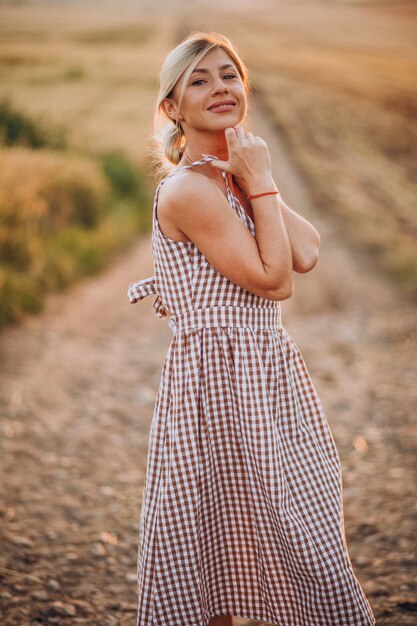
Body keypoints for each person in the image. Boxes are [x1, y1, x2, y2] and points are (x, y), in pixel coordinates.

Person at [127, 31, 376, 626]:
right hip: (214, 384)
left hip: (264, 373)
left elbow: (308, 250)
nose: (221, 87)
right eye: (200, 79)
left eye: (230, 75)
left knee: (297, 528)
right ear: (172, 108)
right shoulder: (189, 189)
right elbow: (275, 278)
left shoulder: (230, 177)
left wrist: (251, 173)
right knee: (212, 550)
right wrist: (257, 176)